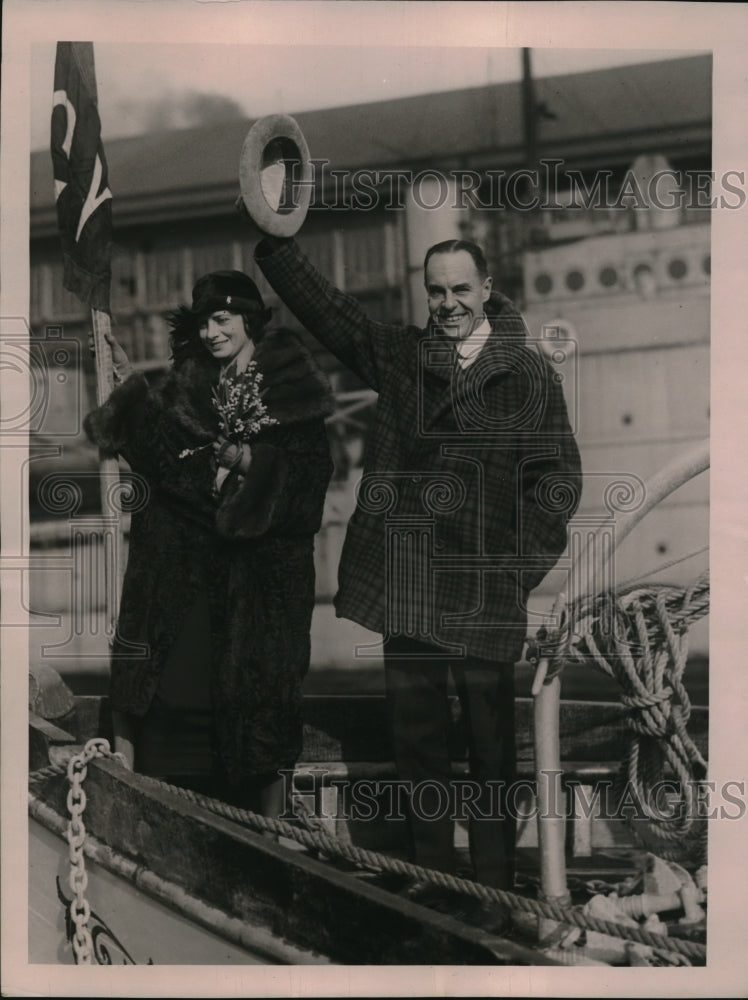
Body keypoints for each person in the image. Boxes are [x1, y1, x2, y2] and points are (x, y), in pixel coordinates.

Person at [241, 219, 582, 925]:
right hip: (412, 581)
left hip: (485, 587)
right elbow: (331, 314)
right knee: (417, 739)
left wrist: (514, 572)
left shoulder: (529, 375)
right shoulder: (402, 355)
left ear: (488, 289)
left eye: (461, 289)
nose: (449, 302)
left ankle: (492, 880)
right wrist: (275, 244)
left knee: (491, 746)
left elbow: (558, 484)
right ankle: (432, 875)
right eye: (436, 291)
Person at [84, 270, 335, 818]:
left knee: (254, 718)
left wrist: (250, 464)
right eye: (203, 323)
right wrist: (131, 391)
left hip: (259, 589)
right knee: (178, 703)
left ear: (250, 319)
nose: (212, 334)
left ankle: (260, 843)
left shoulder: (293, 394)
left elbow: (309, 488)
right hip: (187, 579)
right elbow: (161, 459)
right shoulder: (186, 387)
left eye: (222, 320)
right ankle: (174, 830)